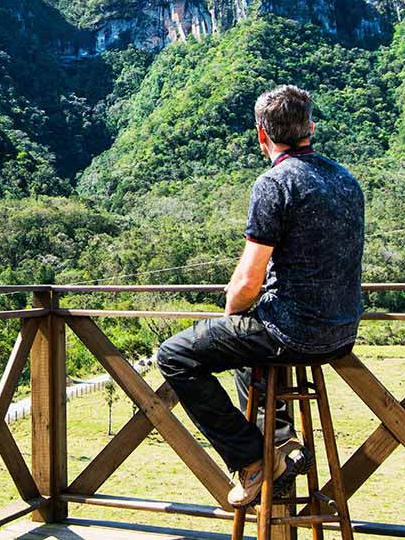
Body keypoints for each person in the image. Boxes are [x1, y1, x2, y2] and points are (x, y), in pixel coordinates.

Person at [156, 84, 365, 507]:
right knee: (242, 344)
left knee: (176, 356)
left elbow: (247, 283)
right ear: (311, 127)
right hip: (342, 333)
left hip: (292, 333)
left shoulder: (275, 183)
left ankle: (253, 460)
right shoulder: (346, 180)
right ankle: (282, 441)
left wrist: (230, 314)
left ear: (260, 135)